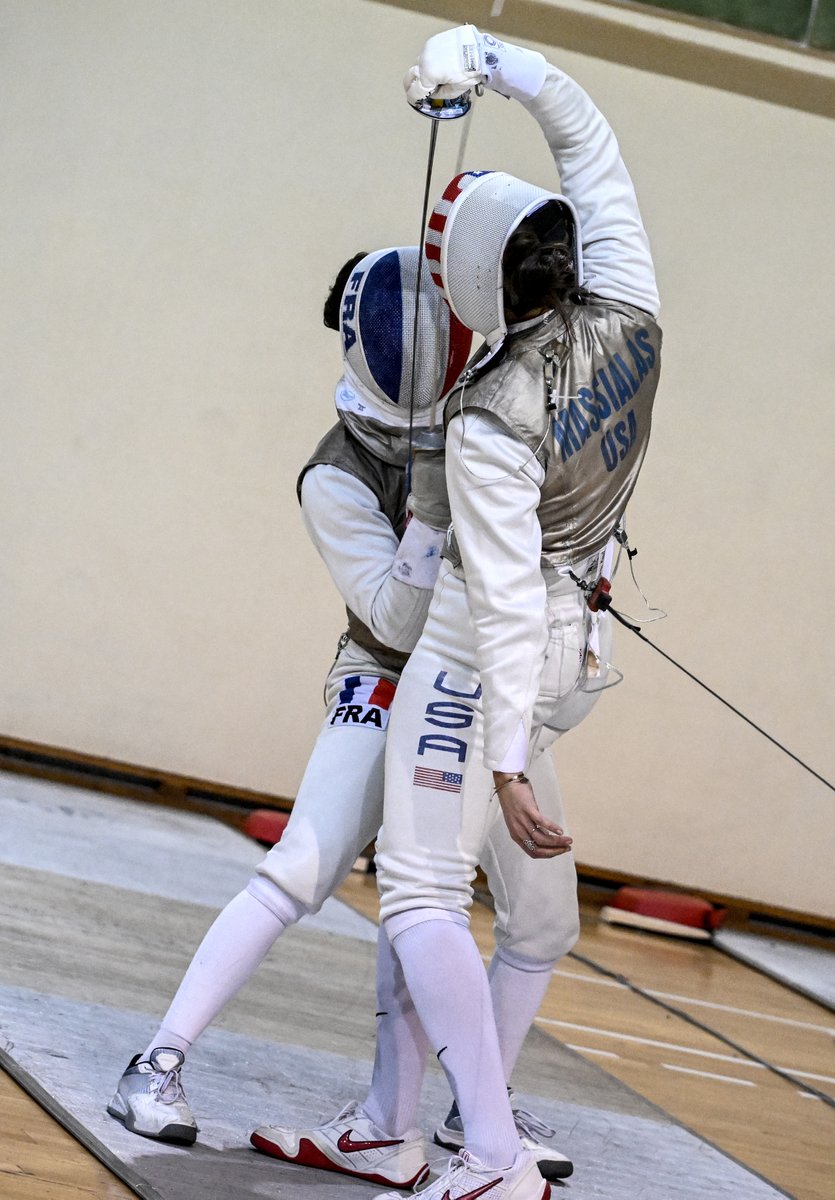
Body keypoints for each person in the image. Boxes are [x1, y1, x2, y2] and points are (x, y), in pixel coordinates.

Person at [106, 244, 579, 1187]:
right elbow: (394, 618)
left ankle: (476, 1114)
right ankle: (155, 1065)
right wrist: (437, 514)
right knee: (307, 865)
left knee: (543, 915)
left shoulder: (481, 391)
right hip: (387, 676)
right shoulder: (333, 478)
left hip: (475, 684)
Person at [372, 25, 662, 1200]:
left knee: (421, 889)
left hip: (496, 657)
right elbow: (586, 134)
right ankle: (445, 1119)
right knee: (534, 918)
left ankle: (488, 1153)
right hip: (574, 646)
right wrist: (485, 56)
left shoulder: (490, 415)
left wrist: (498, 763)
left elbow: (490, 601)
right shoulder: (633, 311)